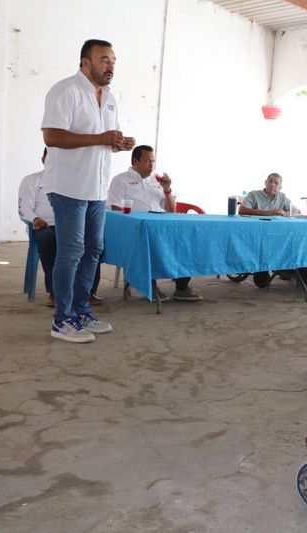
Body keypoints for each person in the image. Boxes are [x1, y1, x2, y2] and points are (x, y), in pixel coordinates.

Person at [42, 39, 134, 343]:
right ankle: (62, 320)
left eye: (113, 60)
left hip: (97, 188)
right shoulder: (65, 90)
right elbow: (52, 136)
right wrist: (99, 138)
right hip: (69, 186)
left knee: (93, 249)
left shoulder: (109, 98)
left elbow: (105, 139)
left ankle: (81, 311)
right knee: (71, 251)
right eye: (104, 59)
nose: (110, 66)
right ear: (85, 62)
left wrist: (117, 144)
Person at [107, 145, 202, 302]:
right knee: (150, 243)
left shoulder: (156, 181)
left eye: (153, 161)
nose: (151, 165)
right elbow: (117, 211)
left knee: (184, 241)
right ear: (135, 161)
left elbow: (171, 210)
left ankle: (182, 287)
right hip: (137, 228)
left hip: (162, 225)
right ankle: (149, 285)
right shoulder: (120, 180)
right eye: (147, 161)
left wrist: (167, 190)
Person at [19, 149, 102, 308]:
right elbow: (23, 208)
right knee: (47, 239)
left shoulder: (75, 182)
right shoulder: (31, 180)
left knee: (93, 242)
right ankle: (55, 292)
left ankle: (87, 291)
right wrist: (35, 219)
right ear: (43, 159)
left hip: (71, 226)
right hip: (45, 226)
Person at [238, 172, 296, 287]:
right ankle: (262, 270)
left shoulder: (282, 197)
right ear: (265, 183)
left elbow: (296, 211)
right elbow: (242, 210)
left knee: (290, 240)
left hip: (277, 233)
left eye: (276, 183)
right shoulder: (254, 195)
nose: (273, 185)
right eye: (270, 181)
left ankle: (285, 267)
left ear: (280, 187)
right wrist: (267, 213)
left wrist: (283, 212)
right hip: (256, 233)